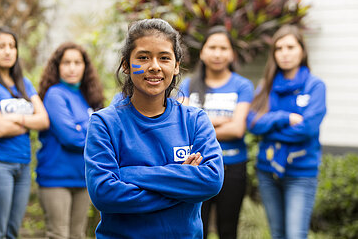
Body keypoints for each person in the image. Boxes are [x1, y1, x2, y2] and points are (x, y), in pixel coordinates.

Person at [84, 18, 224, 239]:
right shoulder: (105, 123)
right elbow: (104, 194)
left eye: (164, 58)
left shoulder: (195, 121)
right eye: (143, 57)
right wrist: (183, 183)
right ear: (126, 65)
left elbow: (211, 180)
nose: (155, 66)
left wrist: (128, 174)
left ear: (176, 66)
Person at [246, 25, 326, 239]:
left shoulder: (314, 86)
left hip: (300, 173)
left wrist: (269, 128)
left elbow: (307, 129)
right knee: (278, 234)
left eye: (290, 47)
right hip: (267, 170)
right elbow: (252, 123)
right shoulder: (266, 85)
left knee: (295, 235)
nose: (284, 53)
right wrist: (285, 118)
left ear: (302, 50)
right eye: (279, 48)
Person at [0, 26, 50, 238]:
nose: (7, 51)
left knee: (12, 231)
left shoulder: (23, 83)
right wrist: (28, 123)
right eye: (1, 46)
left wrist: (16, 119)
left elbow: (43, 120)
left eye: (12, 46)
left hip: (22, 165)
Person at [178, 26, 254, 239]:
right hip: (197, 168)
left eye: (223, 48)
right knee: (195, 228)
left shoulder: (243, 86)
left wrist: (200, 122)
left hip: (233, 168)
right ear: (202, 52)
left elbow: (237, 129)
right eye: (212, 47)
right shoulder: (188, 84)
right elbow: (182, 127)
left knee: (228, 230)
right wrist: (220, 122)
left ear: (232, 54)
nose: (217, 53)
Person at [36, 42, 104, 239]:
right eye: (66, 62)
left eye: (77, 62)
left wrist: (81, 128)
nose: (72, 67)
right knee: (58, 234)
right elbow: (71, 138)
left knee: (78, 235)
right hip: (56, 178)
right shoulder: (55, 94)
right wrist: (89, 132)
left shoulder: (88, 96)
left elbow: (103, 134)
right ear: (57, 66)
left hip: (83, 178)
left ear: (85, 67)